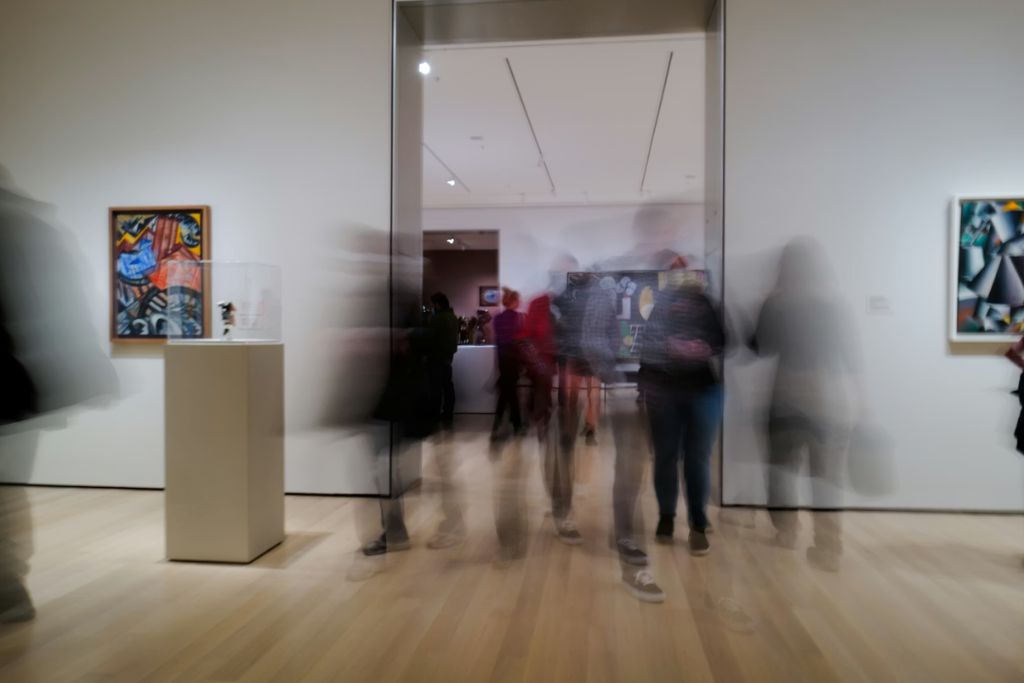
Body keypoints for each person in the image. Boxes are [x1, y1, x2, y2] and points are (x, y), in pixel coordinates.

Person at [751, 237, 858, 572]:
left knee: (782, 469)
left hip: (786, 394)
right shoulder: (836, 303)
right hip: (829, 397)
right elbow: (851, 356)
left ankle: (786, 532)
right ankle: (828, 546)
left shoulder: (777, 303)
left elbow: (761, 348)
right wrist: (863, 404)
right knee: (826, 476)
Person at [641, 276, 725, 557]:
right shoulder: (662, 306)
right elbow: (647, 346)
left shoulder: (707, 305)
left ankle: (697, 524)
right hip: (665, 392)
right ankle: (668, 516)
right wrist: (669, 348)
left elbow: (723, 340)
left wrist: (704, 348)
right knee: (667, 456)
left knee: (696, 458)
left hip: (701, 390)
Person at [491, 288, 523, 439]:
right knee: (509, 393)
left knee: (508, 392)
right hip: (514, 360)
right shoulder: (519, 318)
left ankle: (509, 423)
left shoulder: (497, 318)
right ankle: (514, 424)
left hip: (503, 359)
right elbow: (521, 342)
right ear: (514, 302)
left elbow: (498, 340)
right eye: (518, 300)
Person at [427, 292, 459, 429]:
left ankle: (434, 415)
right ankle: (448, 414)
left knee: (436, 388)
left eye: (433, 304)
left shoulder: (438, 318)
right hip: (448, 357)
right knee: (447, 386)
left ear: (437, 304)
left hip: (437, 356)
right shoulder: (453, 317)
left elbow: (431, 337)